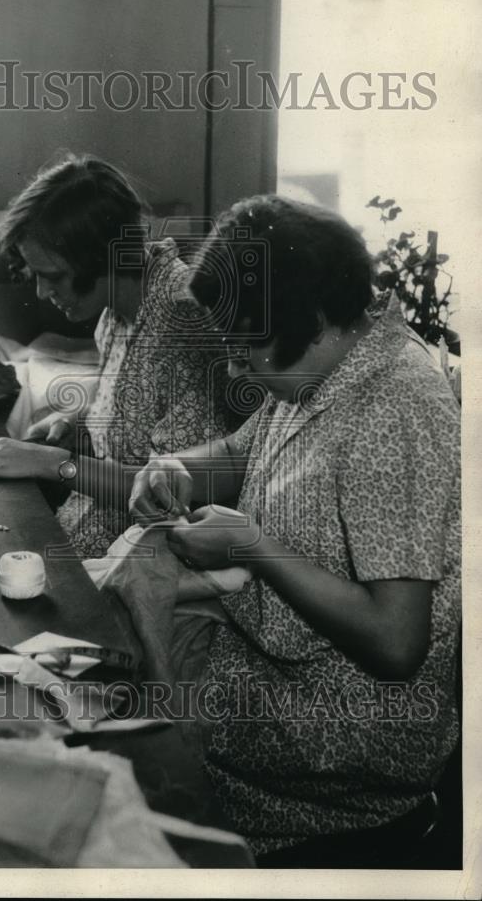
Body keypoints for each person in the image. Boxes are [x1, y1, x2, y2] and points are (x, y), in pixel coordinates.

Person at [129, 194, 461, 866]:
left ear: (311, 321)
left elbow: (397, 642)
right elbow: (243, 454)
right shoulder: (324, 371)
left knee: (125, 761)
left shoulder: (395, 408)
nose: (232, 369)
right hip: (272, 683)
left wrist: (250, 545)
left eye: (245, 351)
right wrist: (173, 467)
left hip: (339, 754)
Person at [0, 153, 238, 558]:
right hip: (92, 524)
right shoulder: (116, 312)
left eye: (52, 277)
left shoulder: (181, 322)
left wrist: (54, 463)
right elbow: (134, 418)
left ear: (99, 256)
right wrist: (76, 425)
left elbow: (168, 492)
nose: (42, 293)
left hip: (151, 552)